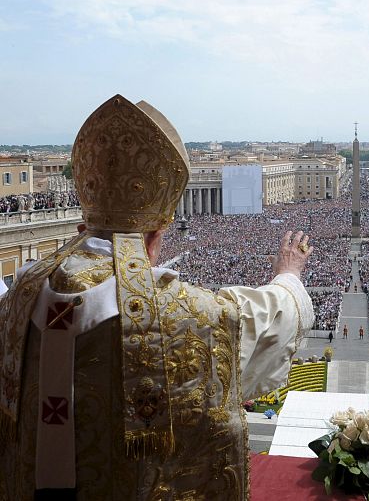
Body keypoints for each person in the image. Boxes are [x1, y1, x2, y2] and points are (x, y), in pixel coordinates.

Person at [0, 95, 315, 499]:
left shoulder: (15, 301)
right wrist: (288, 274)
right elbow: (272, 316)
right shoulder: (182, 315)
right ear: (154, 238)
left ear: (82, 226)